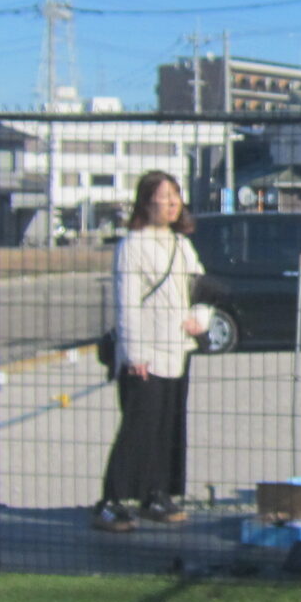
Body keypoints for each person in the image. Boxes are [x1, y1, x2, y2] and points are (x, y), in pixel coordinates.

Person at [94, 170, 210, 532]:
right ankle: (111, 501)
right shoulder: (132, 246)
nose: (173, 203)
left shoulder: (181, 244)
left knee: (167, 427)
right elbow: (127, 305)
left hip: (177, 349)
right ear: (146, 202)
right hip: (146, 353)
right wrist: (135, 355)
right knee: (139, 427)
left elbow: (200, 289)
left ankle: (156, 494)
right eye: (164, 195)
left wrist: (200, 318)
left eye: (176, 195)